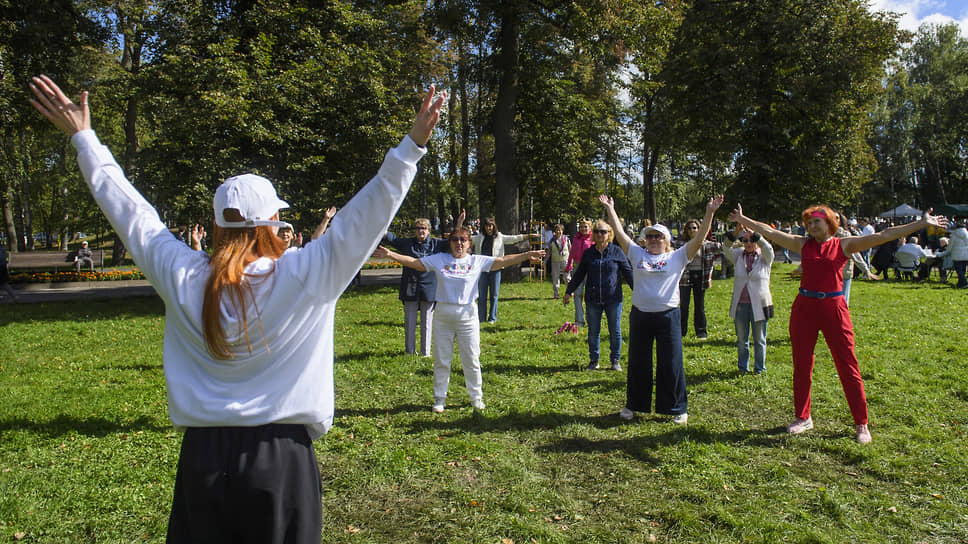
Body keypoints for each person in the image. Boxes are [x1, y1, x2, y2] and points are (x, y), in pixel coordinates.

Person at [29, 74, 447, 542]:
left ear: (215, 224)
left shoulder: (183, 274)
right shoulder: (305, 273)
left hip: (202, 458)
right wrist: (410, 146)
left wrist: (85, 139)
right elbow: (366, 213)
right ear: (274, 223)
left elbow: (132, 214)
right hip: (281, 459)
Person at [728, 202, 947, 444]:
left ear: (830, 222)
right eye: (808, 223)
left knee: (847, 365)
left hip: (834, 307)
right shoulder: (802, 244)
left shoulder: (845, 244)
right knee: (802, 364)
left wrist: (922, 223)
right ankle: (803, 417)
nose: (811, 226)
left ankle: (861, 423)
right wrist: (743, 218)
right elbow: (769, 232)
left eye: (816, 221)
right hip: (804, 308)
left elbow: (884, 235)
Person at [374, 231, 544, 412]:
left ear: (470, 243)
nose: (459, 243)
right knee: (442, 359)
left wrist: (526, 255)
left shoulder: (476, 261)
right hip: (443, 314)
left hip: (468, 315)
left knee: (471, 358)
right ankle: (439, 398)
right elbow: (415, 263)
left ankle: (476, 397)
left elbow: (501, 261)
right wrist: (390, 254)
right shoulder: (439, 259)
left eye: (463, 240)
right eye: (455, 240)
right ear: (450, 243)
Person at [600, 194, 723, 424]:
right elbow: (619, 232)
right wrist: (610, 208)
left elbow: (699, 238)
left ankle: (676, 408)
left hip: (668, 316)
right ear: (645, 240)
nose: (654, 239)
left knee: (671, 363)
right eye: (650, 236)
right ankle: (634, 405)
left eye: (658, 236)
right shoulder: (637, 253)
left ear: (666, 240)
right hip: (641, 316)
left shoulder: (677, 257)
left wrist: (710, 212)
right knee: (638, 362)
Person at [382, 212, 464, 357]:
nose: (421, 231)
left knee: (427, 322)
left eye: (424, 228)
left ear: (429, 230)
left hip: (429, 288)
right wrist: (380, 224)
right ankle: (409, 352)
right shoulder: (407, 243)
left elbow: (453, 240)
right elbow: (391, 238)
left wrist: (458, 224)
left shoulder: (436, 244)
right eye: (418, 228)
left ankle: (425, 353)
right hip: (410, 286)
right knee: (410, 321)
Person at [563, 220, 633, 372]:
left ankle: (615, 360)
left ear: (610, 234)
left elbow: (628, 272)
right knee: (593, 331)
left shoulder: (616, 251)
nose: (600, 234)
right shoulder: (589, 253)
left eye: (603, 232)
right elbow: (579, 273)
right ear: (593, 234)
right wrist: (569, 291)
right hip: (593, 299)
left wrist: (639, 290)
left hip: (613, 298)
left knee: (615, 330)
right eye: (597, 232)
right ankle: (594, 360)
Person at [723, 228, 774, 374]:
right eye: (745, 240)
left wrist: (756, 233)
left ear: (757, 242)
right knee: (741, 339)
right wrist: (736, 231)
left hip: (760, 303)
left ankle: (759, 368)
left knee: (759, 339)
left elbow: (768, 248)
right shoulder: (738, 255)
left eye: (752, 240)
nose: (748, 243)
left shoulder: (765, 257)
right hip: (741, 304)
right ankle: (742, 368)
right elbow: (725, 247)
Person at [471, 218, 536, 323]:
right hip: (482, 270)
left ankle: (492, 318)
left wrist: (528, 236)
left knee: (494, 295)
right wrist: (452, 236)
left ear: (494, 226)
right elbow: (467, 239)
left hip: (496, 269)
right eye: (487, 226)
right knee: (482, 296)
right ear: (484, 227)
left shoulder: (499, 237)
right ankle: (481, 318)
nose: (489, 228)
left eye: (491, 226)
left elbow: (514, 238)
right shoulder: (479, 237)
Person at [674, 219, 722, 340]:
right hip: (685, 277)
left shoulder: (705, 244)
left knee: (699, 305)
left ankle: (701, 332)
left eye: (694, 228)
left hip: (700, 276)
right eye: (689, 228)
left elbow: (722, 247)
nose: (692, 230)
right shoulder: (681, 244)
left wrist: (736, 242)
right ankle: (681, 331)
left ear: (699, 229)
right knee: (684, 305)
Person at [565, 219, 593, 327]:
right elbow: (571, 252)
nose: (583, 229)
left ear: (589, 228)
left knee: (590, 295)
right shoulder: (576, 238)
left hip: (590, 268)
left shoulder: (592, 239)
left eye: (585, 227)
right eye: (581, 227)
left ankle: (591, 320)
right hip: (577, 268)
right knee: (577, 294)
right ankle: (579, 320)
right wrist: (569, 266)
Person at [547, 223, 571, 299]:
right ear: (555, 231)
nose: (558, 232)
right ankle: (556, 295)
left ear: (562, 231)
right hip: (555, 261)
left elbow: (571, 250)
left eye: (560, 230)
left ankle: (570, 292)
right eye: (557, 230)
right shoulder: (552, 240)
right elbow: (549, 252)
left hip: (565, 260)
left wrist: (571, 261)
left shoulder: (566, 239)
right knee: (555, 278)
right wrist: (545, 260)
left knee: (567, 278)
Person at [948, 220, 968, 288]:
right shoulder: (967, 234)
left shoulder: (954, 235)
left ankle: (964, 283)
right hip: (966, 255)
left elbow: (950, 246)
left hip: (957, 255)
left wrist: (947, 251)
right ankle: (960, 284)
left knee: (959, 271)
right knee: (963, 270)